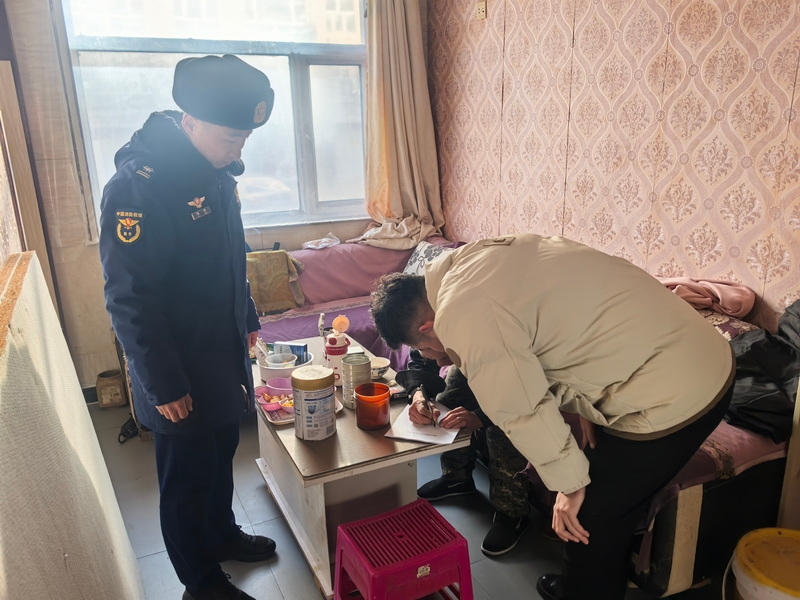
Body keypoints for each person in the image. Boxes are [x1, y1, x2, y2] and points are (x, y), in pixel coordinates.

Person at [370, 234, 735, 600]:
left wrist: (569, 486)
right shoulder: (472, 261)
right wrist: (587, 407)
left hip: (676, 389)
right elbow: (559, 339)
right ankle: (581, 583)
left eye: (423, 348)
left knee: (586, 516)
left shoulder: (462, 310)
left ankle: (581, 591)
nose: (432, 357)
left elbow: (520, 408)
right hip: (689, 353)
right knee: (609, 506)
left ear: (426, 326)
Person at [99, 55, 277, 600]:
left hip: (220, 352)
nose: (238, 151)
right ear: (189, 121)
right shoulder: (139, 187)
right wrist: (164, 383)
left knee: (221, 454)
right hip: (176, 365)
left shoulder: (215, 170)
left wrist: (247, 317)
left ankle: (221, 534)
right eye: (230, 138)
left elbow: (229, 257)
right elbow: (129, 298)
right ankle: (199, 582)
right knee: (186, 478)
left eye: (245, 139)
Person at [397, 349, 535, 556]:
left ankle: (512, 512)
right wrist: (418, 394)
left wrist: (480, 417)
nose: (439, 363)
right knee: (448, 401)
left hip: (516, 374)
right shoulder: (422, 334)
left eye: (435, 352)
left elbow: (520, 392)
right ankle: (457, 478)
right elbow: (420, 361)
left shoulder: (495, 338)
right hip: (474, 358)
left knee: (502, 428)